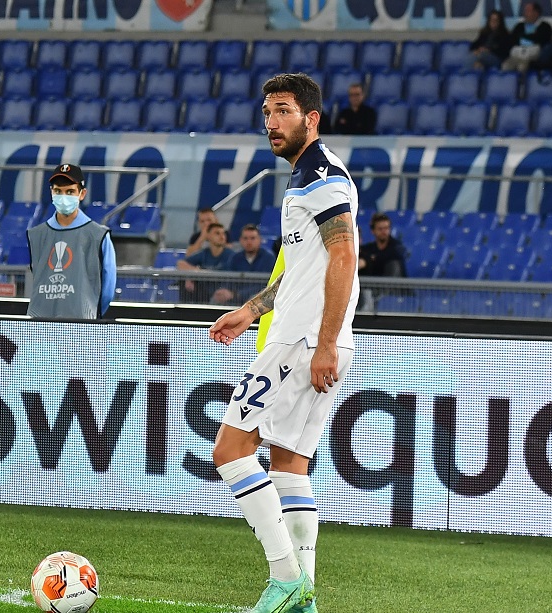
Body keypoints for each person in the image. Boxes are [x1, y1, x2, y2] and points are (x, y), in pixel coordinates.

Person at [208, 73, 359, 613]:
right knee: (291, 463)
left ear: (310, 119)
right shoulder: (304, 179)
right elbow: (301, 271)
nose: (271, 122)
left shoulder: (321, 176)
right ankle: (304, 599)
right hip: (312, 337)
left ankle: (285, 578)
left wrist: (321, 344)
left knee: (230, 450)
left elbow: (344, 258)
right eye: (267, 112)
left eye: (283, 111)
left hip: (303, 341)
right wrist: (250, 311)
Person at [26, 164, 117, 319]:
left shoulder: (98, 235)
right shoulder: (36, 235)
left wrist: (91, 312)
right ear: (51, 192)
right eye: (58, 191)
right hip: (39, 326)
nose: (63, 197)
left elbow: (108, 288)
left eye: (70, 191)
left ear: (82, 194)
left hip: (81, 327)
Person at [177, 222, 235, 304]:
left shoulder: (231, 255)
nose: (222, 236)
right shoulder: (204, 253)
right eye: (217, 233)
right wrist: (191, 275)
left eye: (223, 233)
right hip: (205, 293)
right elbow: (181, 264)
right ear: (208, 236)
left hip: (223, 293)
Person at [227, 224, 277, 302]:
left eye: (252, 238)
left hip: (260, 300)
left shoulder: (268, 258)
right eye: (245, 238)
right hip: (235, 299)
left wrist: (239, 294)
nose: (249, 242)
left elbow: (265, 284)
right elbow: (229, 281)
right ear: (240, 240)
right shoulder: (235, 258)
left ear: (259, 240)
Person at [502, 2, 552, 72]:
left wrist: (523, 36)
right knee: (506, 65)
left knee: (522, 66)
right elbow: (512, 39)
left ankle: (522, 82)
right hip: (518, 53)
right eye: (525, 11)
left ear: (536, 13)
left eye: (528, 11)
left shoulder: (545, 26)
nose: (525, 14)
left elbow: (541, 40)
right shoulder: (519, 26)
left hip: (533, 54)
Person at [359, 212, 407, 277]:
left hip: (394, 285)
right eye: (380, 229)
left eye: (386, 228)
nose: (384, 231)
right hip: (373, 284)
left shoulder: (396, 246)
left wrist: (369, 260)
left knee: (393, 264)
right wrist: (369, 259)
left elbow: (395, 255)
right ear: (373, 231)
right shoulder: (369, 248)